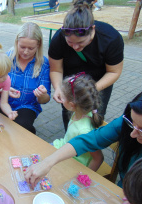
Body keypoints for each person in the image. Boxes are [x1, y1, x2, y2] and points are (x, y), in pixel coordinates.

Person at [24, 86, 142, 189]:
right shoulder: (126, 121)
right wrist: (47, 162)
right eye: (132, 123)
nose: (132, 134)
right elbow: (89, 140)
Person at [49, 0, 124, 131]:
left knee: (95, 114)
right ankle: (71, 140)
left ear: (92, 30)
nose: (76, 47)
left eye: (81, 42)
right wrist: (58, 88)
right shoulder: (58, 39)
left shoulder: (111, 38)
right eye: (70, 43)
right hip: (71, 83)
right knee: (70, 114)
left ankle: (92, 143)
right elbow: (56, 70)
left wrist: (91, 90)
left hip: (99, 83)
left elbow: (114, 72)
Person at [52, 72, 103, 171]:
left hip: (73, 163)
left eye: (62, 98)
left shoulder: (83, 131)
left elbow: (98, 158)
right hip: (63, 147)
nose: (60, 99)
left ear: (72, 105)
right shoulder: (81, 112)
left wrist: (84, 177)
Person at [6, 22, 51, 134]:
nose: (26, 52)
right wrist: (3, 90)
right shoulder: (8, 57)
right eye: (22, 47)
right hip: (3, 102)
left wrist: (42, 95)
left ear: (39, 45)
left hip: (27, 106)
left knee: (21, 127)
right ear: (17, 42)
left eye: (31, 48)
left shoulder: (43, 64)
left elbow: (45, 100)